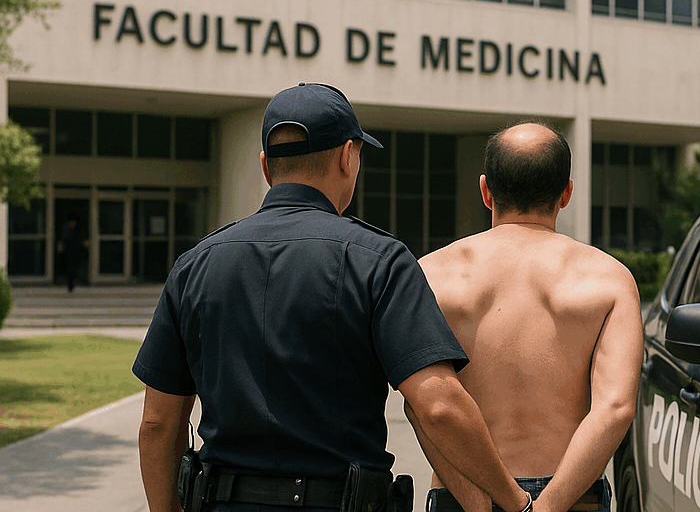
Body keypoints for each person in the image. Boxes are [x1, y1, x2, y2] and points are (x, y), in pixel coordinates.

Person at [132, 83, 534, 512]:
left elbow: (158, 423)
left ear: (266, 166)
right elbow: (437, 406)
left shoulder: (196, 264)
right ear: (347, 156)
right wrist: (515, 502)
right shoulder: (378, 261)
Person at [409, 122, 644, 512]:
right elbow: (615, 408)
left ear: (486, 191)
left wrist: (478, 503)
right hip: (573, 496)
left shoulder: (430, 275)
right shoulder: (610, 279)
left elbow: (423, 404)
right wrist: (548, 506)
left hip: (464, 493)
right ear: (566, 192)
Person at [58, 215, 84, 292]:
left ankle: (72, 284)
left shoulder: (76, 232)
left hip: (74, 253)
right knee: (69, 269)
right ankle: (70, 285)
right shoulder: (66, 231)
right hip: (68, 253)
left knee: (73, 269)